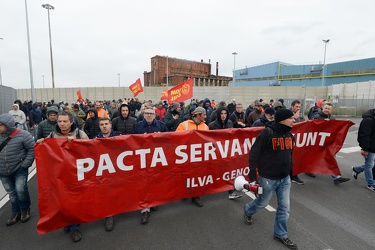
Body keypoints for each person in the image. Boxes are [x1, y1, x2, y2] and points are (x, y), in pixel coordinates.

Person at [244, 109, 297, 249]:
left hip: (285, 179)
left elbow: (290, 155)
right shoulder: (267, 133)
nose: (294, 120)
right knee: (262, 203)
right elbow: (254, 153)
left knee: (285, 208)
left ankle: (280, 234)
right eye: (291, 118)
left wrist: (290, 173)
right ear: (282, 120)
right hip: (268, 178)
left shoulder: (290, 135)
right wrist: (252, 176)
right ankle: (248, 210)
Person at [37, 111, 89, 242]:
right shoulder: (52, 135)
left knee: (74, 202)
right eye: (60, 121)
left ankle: (74, 227)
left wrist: (77, 143)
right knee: (62, 201)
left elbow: (90, 151)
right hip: (59, 176)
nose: (62, 124)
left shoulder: (80, 134)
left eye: (65, 121)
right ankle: (67, 221)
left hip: (76, 174)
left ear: (71, 122)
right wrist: (42, 143)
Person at [133, 107, 168, 223]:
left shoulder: (162, 126)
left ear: (155, 115)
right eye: (147, 113)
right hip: (142, 160)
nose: (149, 115)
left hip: (156, 159)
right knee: (143, 184)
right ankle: (144, 210)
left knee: (155, 182)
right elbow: (131, 142)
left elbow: (168, 140)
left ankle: (153, 201)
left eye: (151, 114)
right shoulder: (137, 126)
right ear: (143, 114)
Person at [0, 113, 34, 226]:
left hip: (19, 168)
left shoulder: (23, 134)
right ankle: (15, 211)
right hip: (3, 171)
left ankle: (25, 209)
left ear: (7, 124)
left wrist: (25, 165)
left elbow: (31, 149)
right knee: (12, 193)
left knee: (20, 190)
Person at [176, 107, 209, 207]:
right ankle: (185, 191)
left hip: (199, 156)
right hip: (186, 156)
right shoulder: (183, 125)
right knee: (186, 175)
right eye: (204, 115)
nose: (205, 117)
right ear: (198, 115)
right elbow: (176, 139)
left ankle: (196, 196)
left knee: (197, 176)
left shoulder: (206, 127)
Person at [209, 106, 242, 200]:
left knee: (229, 170)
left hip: (227, 151)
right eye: (221, 114)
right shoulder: (212, 125)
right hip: (215, 151)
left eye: (225, 114)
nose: (223, 116)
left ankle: (231, 191)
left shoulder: (229, 123)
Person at [313, 102, 350, 184]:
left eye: (329, 109)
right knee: (317, 158)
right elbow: (314, 128)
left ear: (331, 110)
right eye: (326, 108)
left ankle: (336, 177)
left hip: (328, 142)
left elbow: (336, 128)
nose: (327, 110)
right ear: (322, 108)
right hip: (319, 142)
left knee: (330, 158)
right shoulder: (317, 117)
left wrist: (345, 123)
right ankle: (308, 169)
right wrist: (324, 123)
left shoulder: (332, 118)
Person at [97, 117, 121, 231]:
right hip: (105, 171)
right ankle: (109, 215)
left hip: (119, 170)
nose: (104, 126)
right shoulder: (95, 140)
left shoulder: (119, 138)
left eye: (106, 124)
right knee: (106, 193)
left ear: (111, 125)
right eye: (102, 124)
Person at [352, 108, 375, 192]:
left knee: (372, 164)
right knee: (370, 165)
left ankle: (356, 169)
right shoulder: (368, 120)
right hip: (370, 147)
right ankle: (371, 184)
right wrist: (365, 149)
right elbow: (364, 135)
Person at [289, 100, 307, 185]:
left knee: (296, 158)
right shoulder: (287, 114)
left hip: (298, 140)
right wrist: (294, 118)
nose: (298, 108)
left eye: (299, 107)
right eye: (296, 106)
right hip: (288, 140)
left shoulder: (301, 116)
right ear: (292, 106)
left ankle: (294, 176)